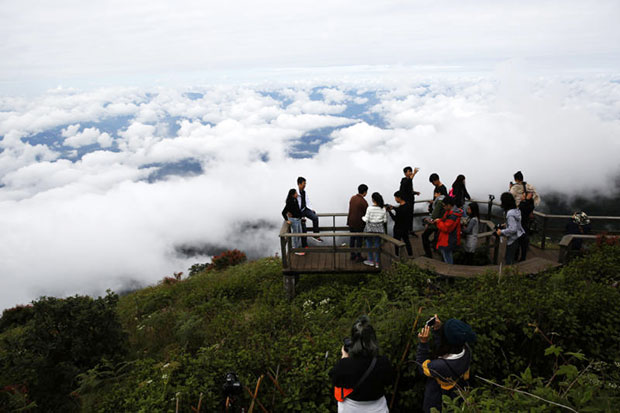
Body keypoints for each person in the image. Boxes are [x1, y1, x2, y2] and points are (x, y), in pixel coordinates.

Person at [329, 315, 394, 413]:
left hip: (351, 408)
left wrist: (344, 358)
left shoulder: (345, 365)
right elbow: (389, 381)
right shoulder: (383, 362)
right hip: (378, 408)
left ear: (353, 340)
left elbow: (335, 380)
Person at [416, 315, 476, 413]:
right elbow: (446, 346)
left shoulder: (438, 366)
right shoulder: (466, 349)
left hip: (437, 402)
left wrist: (423, 343)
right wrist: (438, 330)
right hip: (456, 395)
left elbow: (421, 367)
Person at [496, 192, 525, 265]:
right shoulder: (516, 210)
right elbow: (516, 223)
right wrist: (506, 224)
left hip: (513, 239)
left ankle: (509, 275)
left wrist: (501, 232)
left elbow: (513, 229)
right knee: (511, 258)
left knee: (509, 260)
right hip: (519, 237)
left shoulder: (510, 214)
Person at [433, 197, 463, 265]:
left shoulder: (453, 215)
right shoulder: (450, 212)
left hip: (448, 239)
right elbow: (445, 222)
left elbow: (446, 228)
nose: (443, 207)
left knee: (447, 257)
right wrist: (439, 221)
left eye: (444, 205)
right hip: (448, 238)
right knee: (447, 255)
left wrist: (438, 222)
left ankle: (449, 272)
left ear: (449, 205)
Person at [362, 192, 387, 268]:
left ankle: (370, 261)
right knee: (377, 244)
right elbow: (385, 220)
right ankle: (377, 262)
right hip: (379, 229)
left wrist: (362, 217)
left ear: (373, 199)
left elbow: (366, 219)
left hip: (370, 228)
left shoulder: (370, 208)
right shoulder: (383, 208)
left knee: (369, 244)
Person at [297, 177, 323, 247]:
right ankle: (305, 246)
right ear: (299, 184)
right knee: (303, 229)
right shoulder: (295, 192)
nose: (305, 185)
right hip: (299, 212)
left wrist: (311, 209)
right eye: (304, 184)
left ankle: (315, 235)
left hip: (305, 209)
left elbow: (307, 200)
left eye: (305, 183)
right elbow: (288, 201)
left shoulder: (304, 192)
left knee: (315, 218)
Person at [387, 191, 413, 257]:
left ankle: (397, 256)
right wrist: (393, 208)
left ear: (399, 198)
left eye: (395, 198)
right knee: (407, 241)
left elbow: (395, 219)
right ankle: (410, 255)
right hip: (405, 227)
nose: (395, 199)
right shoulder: (407, 205)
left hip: (398, 228)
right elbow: (400, 209)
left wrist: (389, 212)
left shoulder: (400, 209)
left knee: (397, 242)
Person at [347, 184, 369, 262]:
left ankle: (352, 255)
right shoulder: (364, 202)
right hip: (359, 223)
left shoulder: (352, 198)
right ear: (365, 192)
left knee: (352, 239)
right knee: (359, 240)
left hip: (351, 222)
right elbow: (367, 213)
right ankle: (358, 256)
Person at [422, 188, 445, 258]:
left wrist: (428, 223)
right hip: (441, 222)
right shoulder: (443, 200)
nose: (434, 195)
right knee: (437, 237)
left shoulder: (439, 202)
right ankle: (434, 246)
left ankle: (428, 254)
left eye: (435, 194)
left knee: (424, 236)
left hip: (435, 223)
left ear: (439, 193)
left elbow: (434, 214)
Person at [281, 188, 305, 256]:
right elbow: (283, 212)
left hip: (298, 219)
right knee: (295, 235)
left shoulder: (295, 200)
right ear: (292, 195)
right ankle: (296, 250)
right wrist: (287, 220)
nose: (297, 194)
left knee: (299, 233)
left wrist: (301, 218)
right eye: (296, 193)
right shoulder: (290, 202)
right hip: (294, 220)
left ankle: (297, 247)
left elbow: (297, 210)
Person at [399, 166, 421, 237]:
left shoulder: (410, 180)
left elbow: (409, 191)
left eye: (411, 171)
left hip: (411, 201)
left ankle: (410, 230)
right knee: (406, 217)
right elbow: (405, 187)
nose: (411, 173)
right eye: (409, 171)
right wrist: (414, 174)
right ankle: (405, 232)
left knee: (410, 216)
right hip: (406, 202)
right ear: (405, 173)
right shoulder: (403, 180)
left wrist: (415, 192)